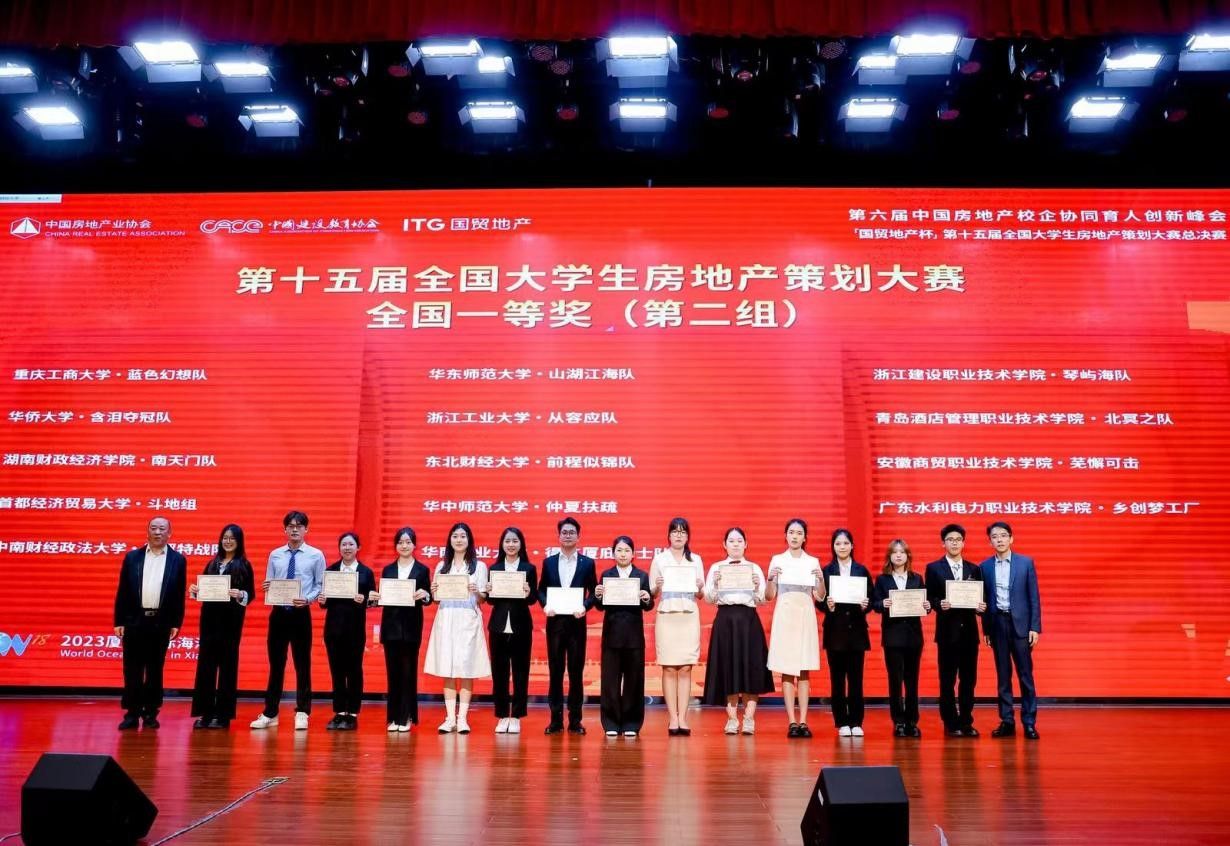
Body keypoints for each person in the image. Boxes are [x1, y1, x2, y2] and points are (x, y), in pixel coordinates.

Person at [251, 510, 326, 731]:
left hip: (301, 614)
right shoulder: (275, 555)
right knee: (276, 665)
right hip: (278, 614)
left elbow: (321, 585)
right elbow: (269, 581)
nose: (295, 529)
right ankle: (270, 712)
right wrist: (267, 586)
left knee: (302, 664)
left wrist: (308, 599)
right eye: (291, 526)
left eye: (299, 526)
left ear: (306, 529)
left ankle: (302, 711)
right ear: (285, 529)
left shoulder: (316, 555)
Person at [113, 516, 187, 730]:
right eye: (153, 528)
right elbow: (123, 590)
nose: (157, 532)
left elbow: (179, 594)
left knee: (155, 669)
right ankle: (131, 713)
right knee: (132, 669)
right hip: (134, 620)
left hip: (161, 622)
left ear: (169, 533)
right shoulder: (132, 557)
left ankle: (151, 713)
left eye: (162, 529)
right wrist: (119, 620)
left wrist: (176, 622)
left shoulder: (178, 560)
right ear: (147, 532)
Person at [702, 527, 774, 736]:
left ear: (746, 544)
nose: (735, 544)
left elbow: (763, 599)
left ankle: (749, 718)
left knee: (752, 668)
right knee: (729, 668)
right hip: (725, 620)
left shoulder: (754, 568)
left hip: (749, 620)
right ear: (724, 545)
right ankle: (732, 719)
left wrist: (757, 586)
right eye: (731, 541)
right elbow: (708, 599)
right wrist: (715, 584)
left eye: (739, 540)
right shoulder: (717, 568)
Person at [424, 522, 491, 733]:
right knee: (448, 668)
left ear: (469, 540)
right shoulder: (441, 566)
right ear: (450, 540)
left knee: (466, 668)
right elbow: (436, 599)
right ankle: (450, 718)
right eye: (455, 536)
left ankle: (462, 718)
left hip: (468, 619)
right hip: (446, 619)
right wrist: (434, 590)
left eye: (463, 536)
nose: (459, 540)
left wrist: (476, 591)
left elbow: (483, 599)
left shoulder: (479, 567)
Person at [980, 521, 1042, 740]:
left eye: (1003, 535)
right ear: (990, 542)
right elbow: (984, 599)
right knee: (1003, 675)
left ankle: (1029, 722)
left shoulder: (1025, 563)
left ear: (1011, 539)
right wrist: (986, 629)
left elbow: (1034, 597)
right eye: (995, 536)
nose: (999, 539)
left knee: (1025, 675)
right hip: (997, 624)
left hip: (1021, 626)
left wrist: (1035, 627)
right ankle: (1007, 721)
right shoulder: (984, 567)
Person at [189, 523, 254, 729]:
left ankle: (223, 715)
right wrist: (195, 591)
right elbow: (203, 591)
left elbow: (250, 594)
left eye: (232, 538)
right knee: (206, 666)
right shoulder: (212, 563)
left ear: (239, 541)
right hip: (209, 621)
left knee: (227, 667)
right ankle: (206, 713)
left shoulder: (244, 565)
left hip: (230, 623)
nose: (228, 541)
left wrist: (240, 594)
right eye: (225, 538)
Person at [924, 523, 987, 737]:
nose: (954, 543)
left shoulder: (974, 569)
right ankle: (950, 722)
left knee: (969, 680)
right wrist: (938, 604)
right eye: (950, 539)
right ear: (943, 543)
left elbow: (980, 598)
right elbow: (929, 597)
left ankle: (966, 721)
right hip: (947, 633)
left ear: (963, 543)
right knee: (947, 680)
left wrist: (981, 607)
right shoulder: (934, 568)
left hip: (969, 633)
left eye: (958, 539)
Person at [765, 518, 824, 738]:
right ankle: (791, 720)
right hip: (785, 615)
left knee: (804, 668)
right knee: (787, 669)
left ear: (805, 537)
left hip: (805, 614)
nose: (795, 536)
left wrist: (820, 580)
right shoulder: (777, 560)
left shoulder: (812, 561)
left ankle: (804, 720)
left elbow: (820, 596)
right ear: (786, 535)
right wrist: (770, 579)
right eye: (791, 532)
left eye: (799, 533)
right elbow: (769, 595)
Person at [538, 516, 597, 735]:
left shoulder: (587, 563)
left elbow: (594, 593)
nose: (568, 535)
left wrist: (585, 606)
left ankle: (575, 721)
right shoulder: (549, 562)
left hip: (576, 624)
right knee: (555, 672)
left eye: (572, 532)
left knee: (575, 673)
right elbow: (541, 590)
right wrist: (545, 605)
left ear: (578, 537)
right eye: (564, 532)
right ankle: (555, 720)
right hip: (554, 624)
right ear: (559, 536)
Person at [371, 526, 432, 732]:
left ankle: (406, 717)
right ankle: (393, 717)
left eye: (408, 542)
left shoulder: (422, 570)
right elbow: (381, 597)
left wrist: (425, 595)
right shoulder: (388, 570)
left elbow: (428, 598)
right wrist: (375, 598)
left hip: (411, 627)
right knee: (393, 673)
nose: (404, 546)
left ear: (414, 545)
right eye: (400, 542)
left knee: (408, 672)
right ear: (395, 546)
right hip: (391, 627)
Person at [649, 517, 705, 736]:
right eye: (675, 532)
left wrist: (700, 587)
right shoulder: (659, 559)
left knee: (686, 667)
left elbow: (701, 594)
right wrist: (657, 586)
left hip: (688, 615)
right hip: (667, 615)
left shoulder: (696, 560)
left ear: (687, 536)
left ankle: (683, 717)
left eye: (682, 532)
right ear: (669, 535)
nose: (678, 535)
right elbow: (652, 593)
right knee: (669, 667)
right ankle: (673, 718)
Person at [594, 535, 654, 737]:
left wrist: (646, 598)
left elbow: (649, 605)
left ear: (633, 554)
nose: (623, 554)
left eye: (627, 550)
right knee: (610, 681)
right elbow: (600, 606)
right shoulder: (607, 575)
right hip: (611, 634)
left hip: (633, 636)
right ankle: (611, 722)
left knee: (634, 681)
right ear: (613, 553)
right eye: (619, 550)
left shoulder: (641, 576)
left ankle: (631, 723)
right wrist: (598, 595)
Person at [871, 539, 931, 738]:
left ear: (908, 556)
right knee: (895, 680)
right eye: (894, 552)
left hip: (913, 637)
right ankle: (898, 721)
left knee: (912, 681)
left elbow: (925, 605)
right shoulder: (882, 580)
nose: (898, 555)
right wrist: (883, 603)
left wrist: (927, 607)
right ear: (889, 556)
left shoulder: (917, 578)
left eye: (902, 552)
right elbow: (875, 604)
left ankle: (912, 721)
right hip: (892, 636)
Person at [319, 532, 375, 730]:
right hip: (333, 629)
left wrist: (365, 599)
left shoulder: (366, 572)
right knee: (336, 671)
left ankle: (352, 713)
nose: (347, 548)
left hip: (355, 630)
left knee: (354, 671)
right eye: (344, 544)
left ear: (358, 547)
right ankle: (339, 711)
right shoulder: (331, 570)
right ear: (339, 548)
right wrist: (322, 600)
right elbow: (325, 603)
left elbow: (373, 599)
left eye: (351, 544)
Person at [485, 526, 538, 735]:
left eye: (515, 541)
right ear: (502, 544)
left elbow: (532, 599)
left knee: (520, 672)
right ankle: (501, 715)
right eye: (507, 541)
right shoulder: (495, 568)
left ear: (521, 544)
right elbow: (491, 601)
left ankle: (516, 716)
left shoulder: (529, 568)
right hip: (498, 626)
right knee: (499, 673)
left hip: (521, 625)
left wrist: (528, 592)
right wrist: (489, 591)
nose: (511, 544)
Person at [821, 528, 873, 737]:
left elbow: (871, 597)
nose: (842, 547)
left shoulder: (861, 570)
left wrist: (865, 605)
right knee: (837, 679)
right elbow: (819, 600)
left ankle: (856, 721)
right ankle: (842, 721)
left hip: (857, 631)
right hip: (835, 630)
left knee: (856, 679)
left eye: (845, 543)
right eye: (838, 544)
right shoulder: (827, 571)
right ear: (833, 547)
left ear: (852, 545)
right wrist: (827, 605)